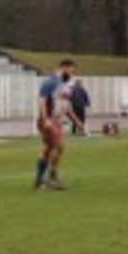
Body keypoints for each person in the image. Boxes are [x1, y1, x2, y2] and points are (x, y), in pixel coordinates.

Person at [34, 59, 86, 190]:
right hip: (48, 120)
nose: (72, 74)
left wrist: (77, 122)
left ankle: (40, 180)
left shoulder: (65, 85)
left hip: (56, 121)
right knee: (59, 146)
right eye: (71, 71)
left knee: (48, 149)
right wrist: (45, 119)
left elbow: (66, 107)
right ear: (63, 68)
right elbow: (42, 101)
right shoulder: (50, 82)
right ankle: (52, 177)